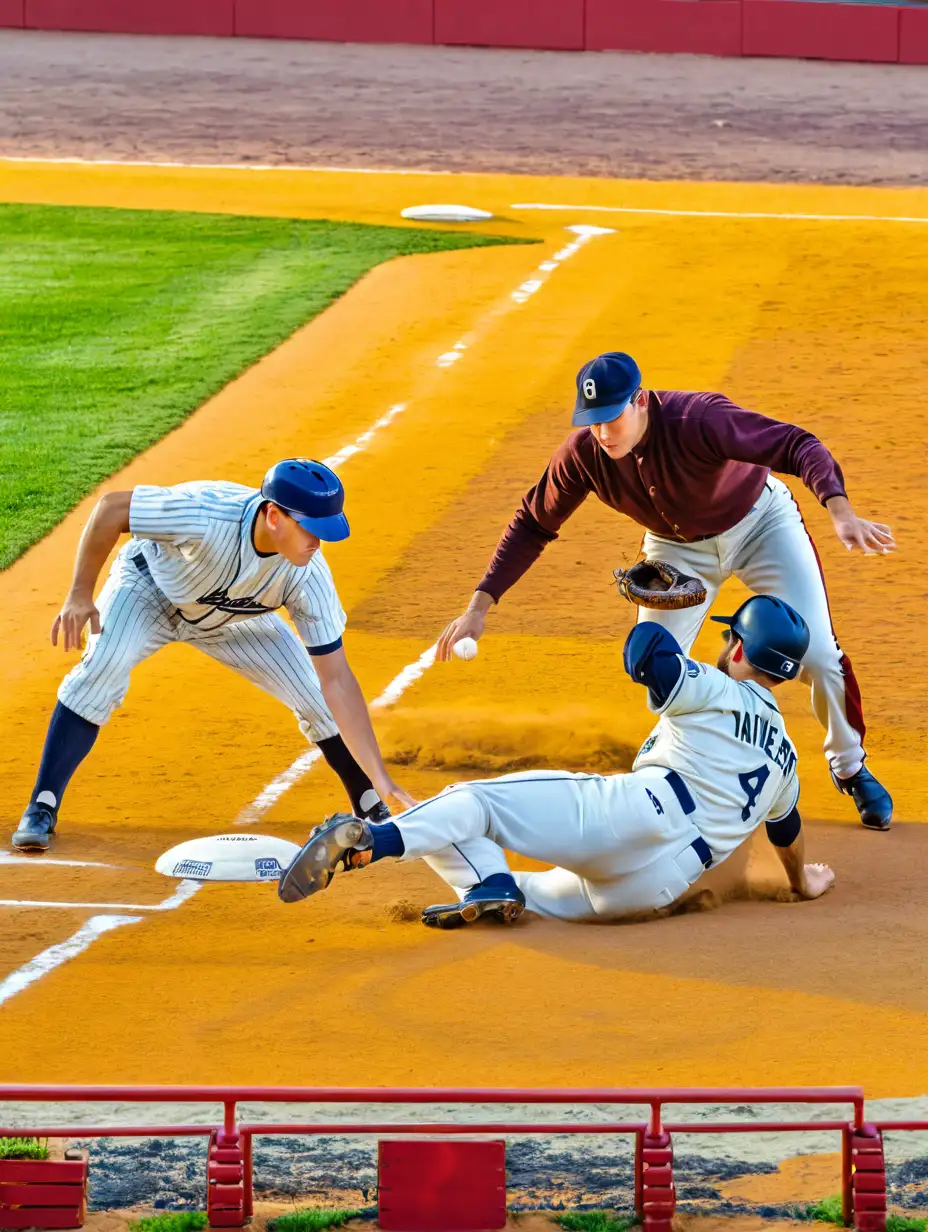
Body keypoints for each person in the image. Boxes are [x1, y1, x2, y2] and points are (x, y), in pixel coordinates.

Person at [436, 352, 895, 831]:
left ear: (640, 401)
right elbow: (533, 522)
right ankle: (690, 773)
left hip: (759, 523)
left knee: (818, 655)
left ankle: (850, 767)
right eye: (592, 421)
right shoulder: (584, 455)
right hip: (676, 549)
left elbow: (797, 444)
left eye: (612, 418)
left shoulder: (698, 419)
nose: (602, 433)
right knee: (654, 662)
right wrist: (478, 607)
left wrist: (840, 511)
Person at [277, 595, 835, 927]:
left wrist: (656, 611)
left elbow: (649, 660)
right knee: (516, 885)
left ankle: (370, 843)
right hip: (654, 887)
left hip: (633, 815)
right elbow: (786, 831)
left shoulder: (718, 688)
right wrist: (801, 881)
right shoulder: (784, 757)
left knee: (472, 803)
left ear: (738, 649)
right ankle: (485, 888)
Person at [11, 458, 415, 853]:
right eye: (309, 528)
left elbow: (337, 680)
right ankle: (42, 805)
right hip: (149, 590)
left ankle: (366, 799)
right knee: (103, 667)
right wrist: (80, 593)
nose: (317, 542)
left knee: (314, 693)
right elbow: (112, 508)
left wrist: (379, 774)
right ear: (273, 516)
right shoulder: (206, 513)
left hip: (231, 617)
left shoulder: (307, 573)